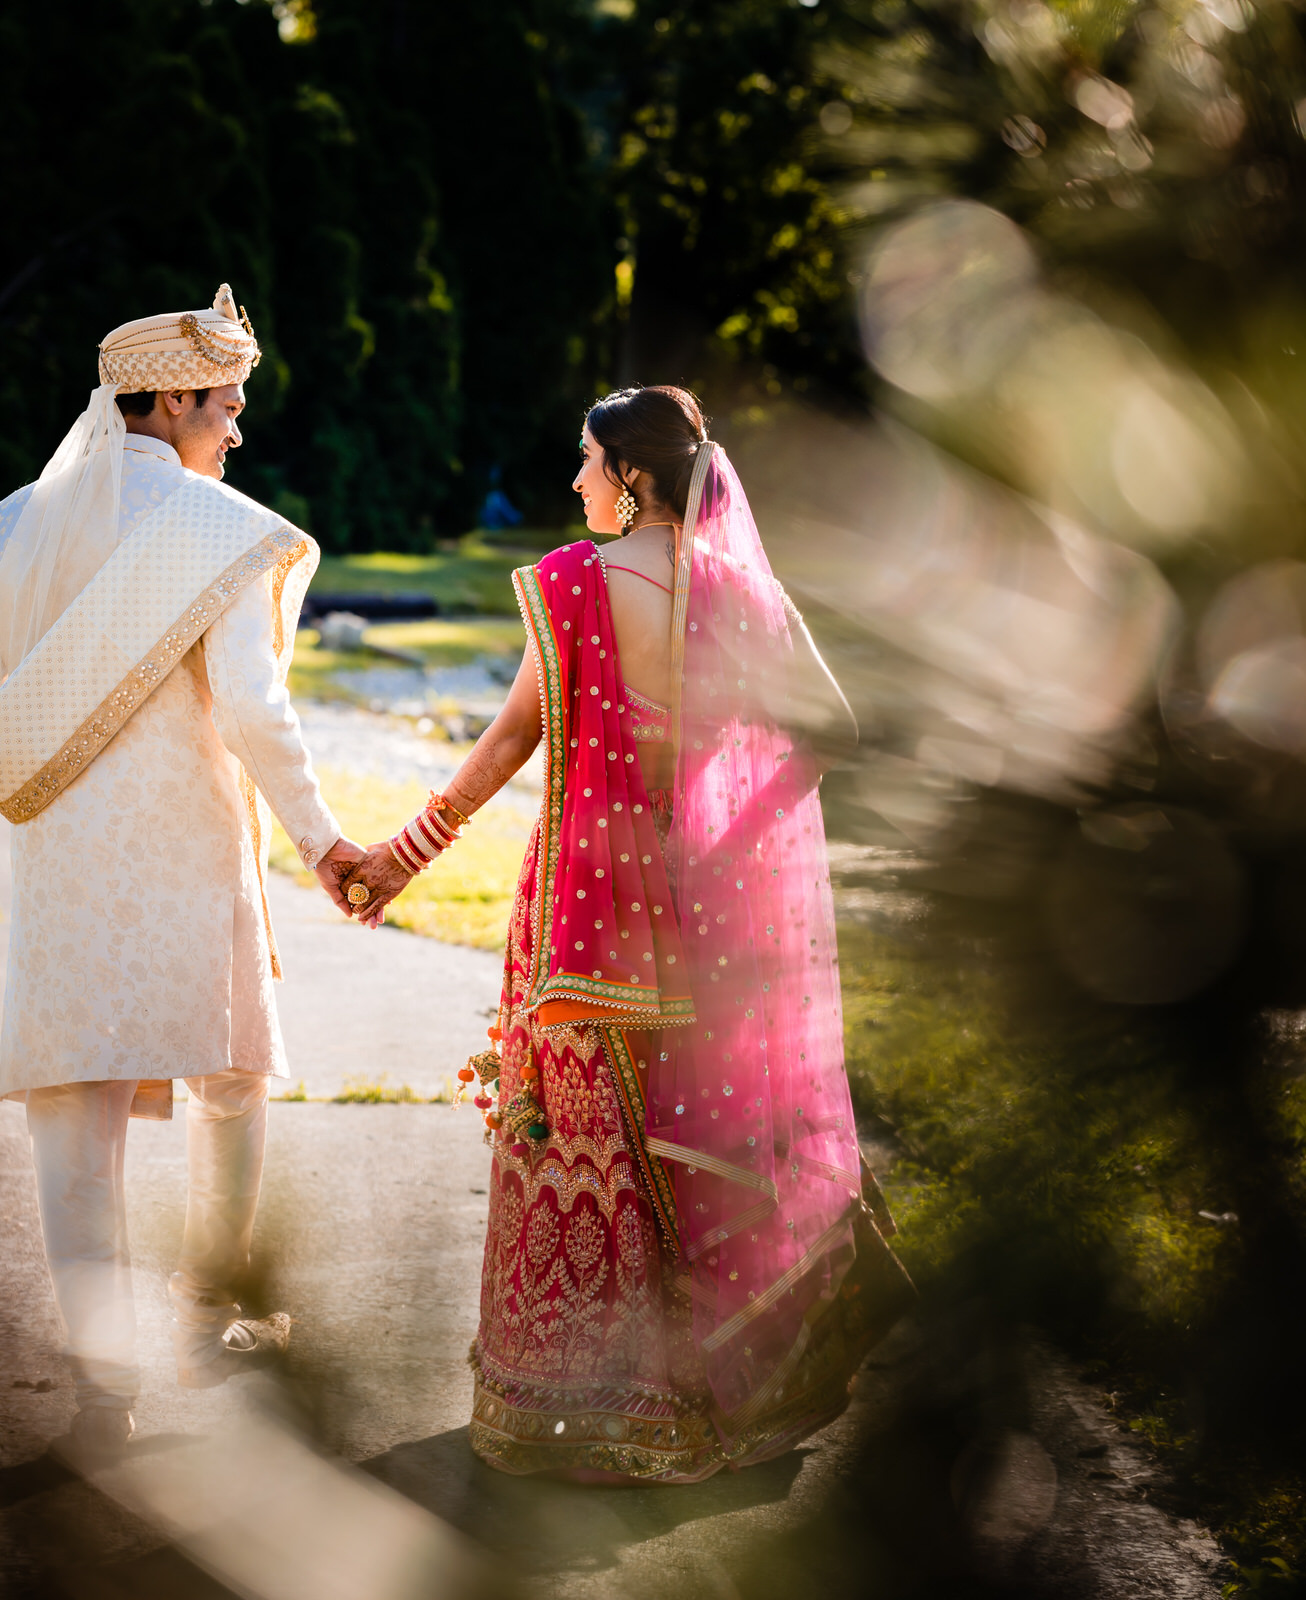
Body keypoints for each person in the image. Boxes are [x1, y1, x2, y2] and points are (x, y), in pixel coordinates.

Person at [348, 385, 911, 1482]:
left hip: (585, 911)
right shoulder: (744, 593)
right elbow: (832, 727)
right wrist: (731, 832)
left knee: (583, 1142)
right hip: (707, 913)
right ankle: (699, 1403)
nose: (575, 482)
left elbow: (511, 737)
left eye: (587, 461)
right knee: (688, 1141)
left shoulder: (571, 584)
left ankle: (569, 1404)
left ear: (634, 478)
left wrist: (396, 862)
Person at [0, 285, 364, 1467]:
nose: (237, 429)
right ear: (171, 396)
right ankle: (219, 1315)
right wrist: (324, 840)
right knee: (231, 1078)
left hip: (67, 872)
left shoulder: (8, 520)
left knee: (76, 1121)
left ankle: (100, 1383)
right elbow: (252, 707)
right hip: (192, 858)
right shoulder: (219, 528)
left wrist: (51, 789)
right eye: (227, 404)